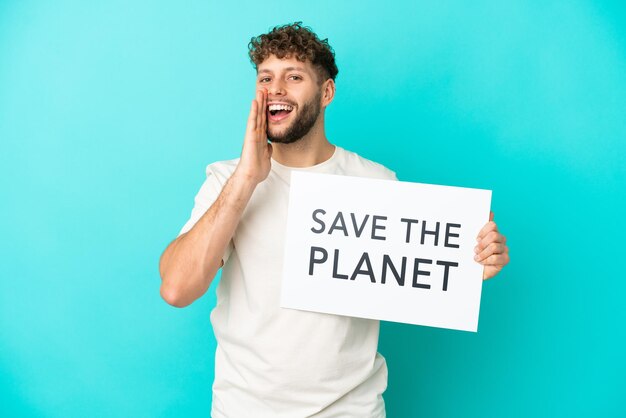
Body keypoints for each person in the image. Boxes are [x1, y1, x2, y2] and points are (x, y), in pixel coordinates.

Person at [159, 22, 509, 418]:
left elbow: (412, 272)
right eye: (266, 78)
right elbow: (176, 288)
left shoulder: (376, 183)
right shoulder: (227, 179)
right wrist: (246, 178)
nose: (275, 89)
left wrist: (470, 262)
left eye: (293, 77)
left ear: (326, 92)